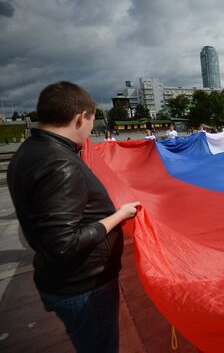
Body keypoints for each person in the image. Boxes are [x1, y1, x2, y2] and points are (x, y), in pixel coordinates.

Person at [7, 81, 140, 353]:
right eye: (91, 121)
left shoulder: (30, 152)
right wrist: (119, 216)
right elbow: (63, 244)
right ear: (81, 117)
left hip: (64, 282)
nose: (91, 130)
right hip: (83, 287)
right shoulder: (59, 163)